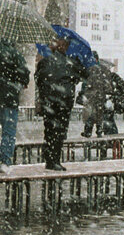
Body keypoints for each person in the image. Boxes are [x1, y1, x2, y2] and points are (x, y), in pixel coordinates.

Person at [35, 35, 87, 171]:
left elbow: (38, 79)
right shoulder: (71, 62)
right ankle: (54, 159)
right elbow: (84, 74)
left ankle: (49, 159)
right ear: (64, 47)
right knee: (59, 132)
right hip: (63, 103)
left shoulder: (45, 61)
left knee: (49, 130)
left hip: (49, 102)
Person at [0, 38, 30, 174]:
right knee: (8, 133)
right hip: (9, 99)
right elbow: (24, 76)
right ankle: (4, 162)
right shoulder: (16, 55)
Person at [79, 52, 112, 138]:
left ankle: (88, 131)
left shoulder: (89, 69)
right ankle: (99, 130)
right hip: (100, 95)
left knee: (90, 114)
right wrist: (107, 93)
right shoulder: (103, 69)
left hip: (91, 96)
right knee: (99, 114)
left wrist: (83, 93)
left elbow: (85, 83)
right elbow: (107, 84)